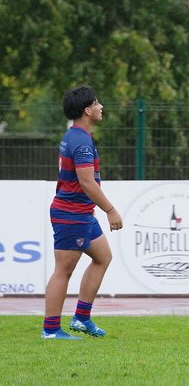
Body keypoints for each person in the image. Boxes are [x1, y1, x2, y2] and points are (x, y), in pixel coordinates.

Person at [43, 86, 121, 339]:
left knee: (103, 257)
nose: (101, 107)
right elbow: (87, 182)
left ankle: (81, 318)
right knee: (63, 271)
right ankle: (51, 330)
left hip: (82, 213)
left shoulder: (75, 135)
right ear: (87, 110)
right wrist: (110, 210)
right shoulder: (81, 141)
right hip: (71, 214)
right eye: (97, 103)